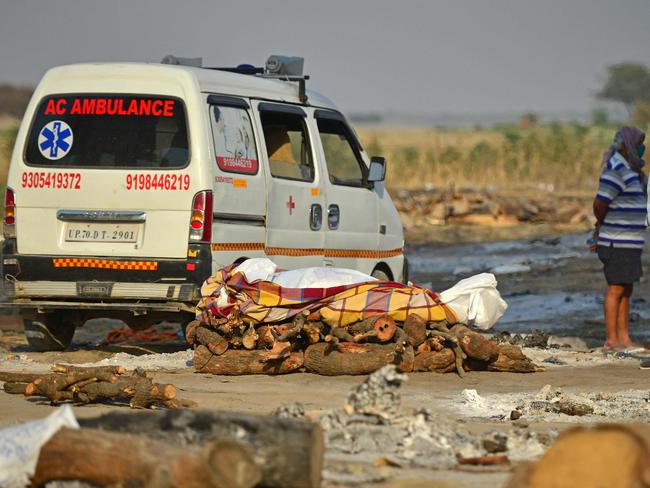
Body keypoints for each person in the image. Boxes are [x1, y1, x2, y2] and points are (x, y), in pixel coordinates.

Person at [591, 126, 647, 351]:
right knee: (615, 289)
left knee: (627, 288)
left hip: (630, 241)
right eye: (639, 143)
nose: (643, 148)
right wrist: (601, 224)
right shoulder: (615, 169)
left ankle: (624, 339)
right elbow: (600, 203)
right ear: (627, 145)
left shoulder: (631, 171)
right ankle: (612, 340)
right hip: (616, 240)